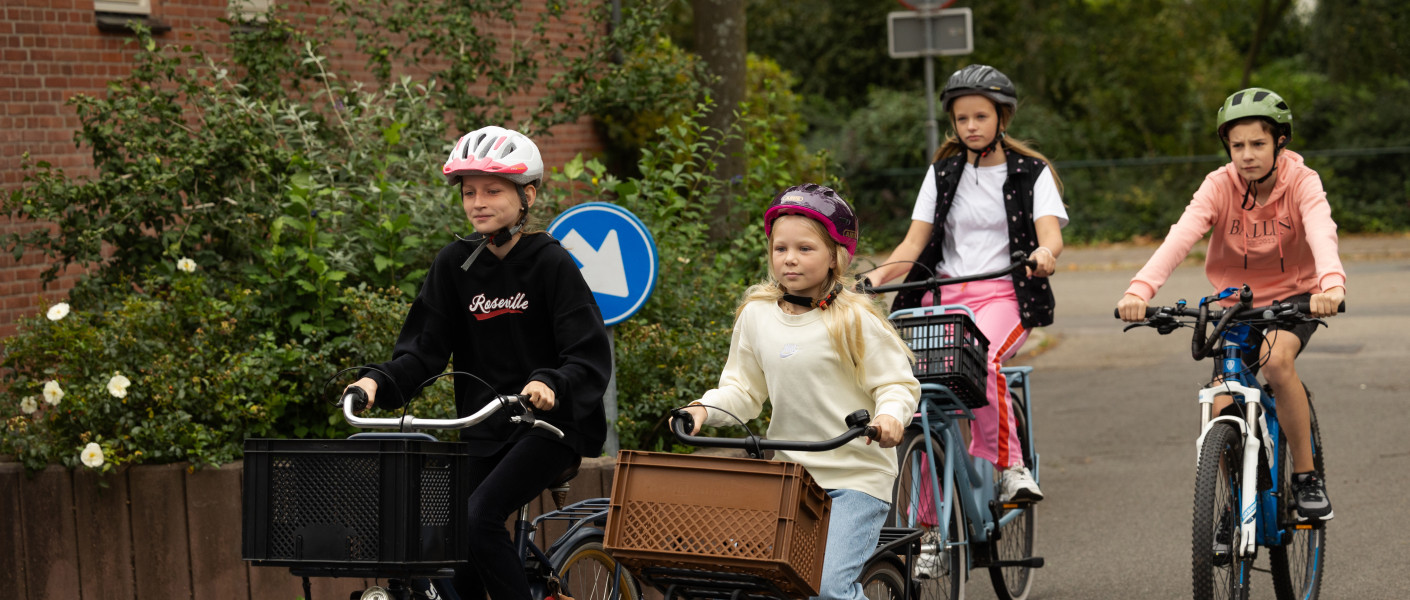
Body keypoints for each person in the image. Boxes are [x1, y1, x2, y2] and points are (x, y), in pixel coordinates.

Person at [345, 125, 613, 597]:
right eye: (469, 192)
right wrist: (376, 383)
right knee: (442, 535)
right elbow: (423, 349)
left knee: (476, 518)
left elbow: (587, 354)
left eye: (492, 190)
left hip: (550, 427)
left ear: (527, 195)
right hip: (484, 426)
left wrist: (550, 382)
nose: (478, 202)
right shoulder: (454, 264)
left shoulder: (551, 263)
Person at [677, 183, 921, 600]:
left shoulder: (855, 319)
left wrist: (890, 417)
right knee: (754, 581)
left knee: (826, 589)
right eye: (780, 248)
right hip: (791, 476)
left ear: (835, 256)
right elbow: (741, 390)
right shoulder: (756, 316)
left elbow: (895, 383)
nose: (789, 258)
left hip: (855, 476)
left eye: (805, 249)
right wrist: (703, 408)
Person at [1116, 88, 1344, 521]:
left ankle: (1306, 477)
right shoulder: (1219, 185)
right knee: (1222, 402)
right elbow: (1180, 236)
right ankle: (1238, 499)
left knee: (1275, 364)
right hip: (1235, 302)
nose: (1246, 155)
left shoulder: (1302, 181)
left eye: (1257, 144)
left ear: (1280, 142)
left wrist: (1330, 285)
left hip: (1295, 297)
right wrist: (1139, 291)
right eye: (1237, 146)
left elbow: (1321, 230)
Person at [862, 64, 1067, 503]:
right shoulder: (942, 173)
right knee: (913, 390)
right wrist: (876, 276)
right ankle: (931, 531)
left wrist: (1045, 253)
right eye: (962, 119)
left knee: (983, 361)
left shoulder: (1031, 172)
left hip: (1004, 296)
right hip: (944, 298)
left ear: (1001, 118)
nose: (971, 126)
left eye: (981, 116)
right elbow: (913, 243)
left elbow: (1050, 233)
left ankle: (1011, 467)